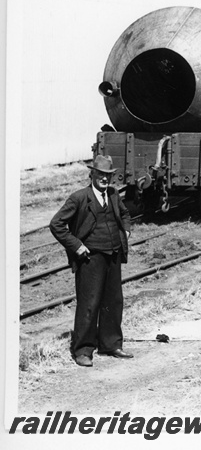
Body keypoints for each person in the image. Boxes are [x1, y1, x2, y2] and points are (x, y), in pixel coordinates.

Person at [50, 155, 133, 367]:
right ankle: (83, 350)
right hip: (90, 258)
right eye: (101, 175)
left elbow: (125, 214)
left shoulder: (113, 195)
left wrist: (126, 230)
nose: (105, 179)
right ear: (92, 174)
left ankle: (111, 344)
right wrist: (77, 245)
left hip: (113, 255)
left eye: (108, 175)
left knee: (113, 301)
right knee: (89, 303)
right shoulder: (79, 198)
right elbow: (56, 224)